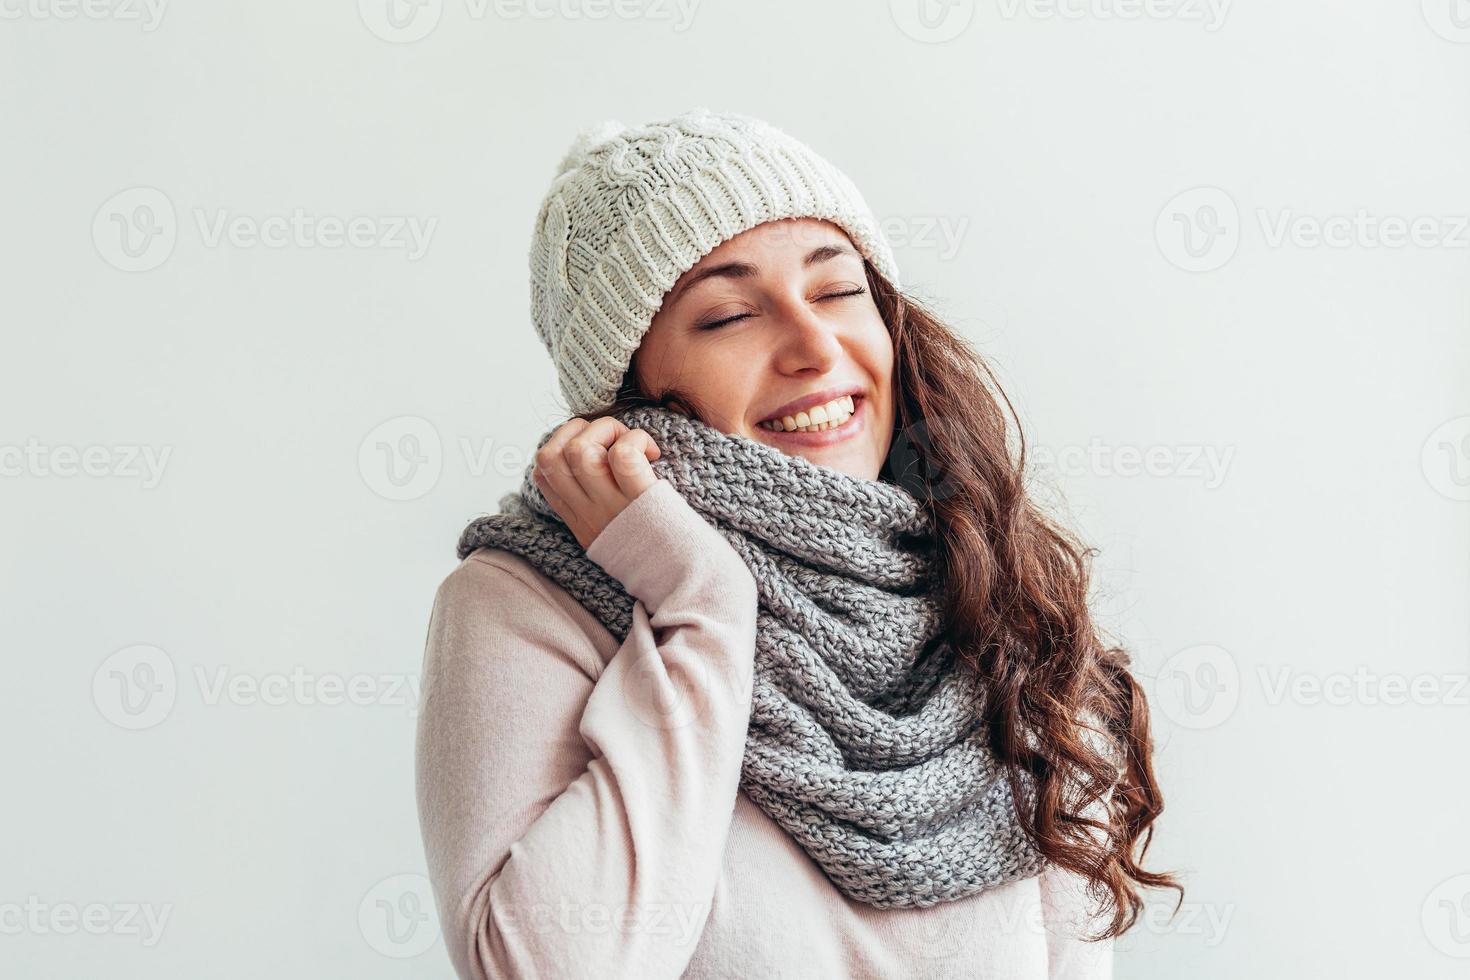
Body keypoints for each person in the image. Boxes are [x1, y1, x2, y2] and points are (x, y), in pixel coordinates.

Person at [415, 107, 1177, 979]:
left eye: (837, 290)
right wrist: (700, 604)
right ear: (628, 391)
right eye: (730, 315)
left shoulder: (1000, 593)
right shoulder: (525, 605)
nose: (815, 346)